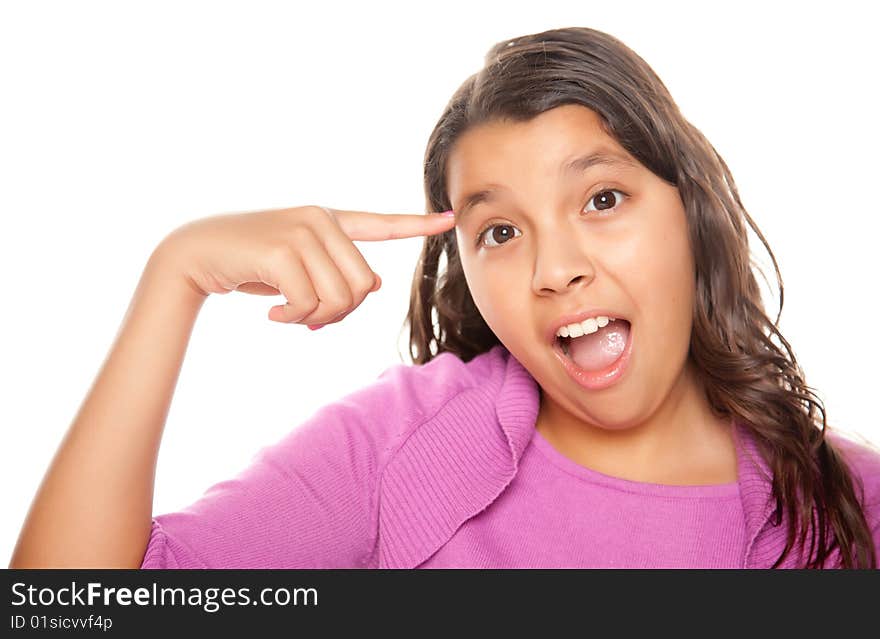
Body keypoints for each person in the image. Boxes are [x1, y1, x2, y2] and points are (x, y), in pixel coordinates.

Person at [9, 26, 879, 570]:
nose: (555, 268)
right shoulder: (400, 446)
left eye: (603, 199)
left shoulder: (853, 500)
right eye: (500, 231)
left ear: (691, 211)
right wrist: (177, 274)